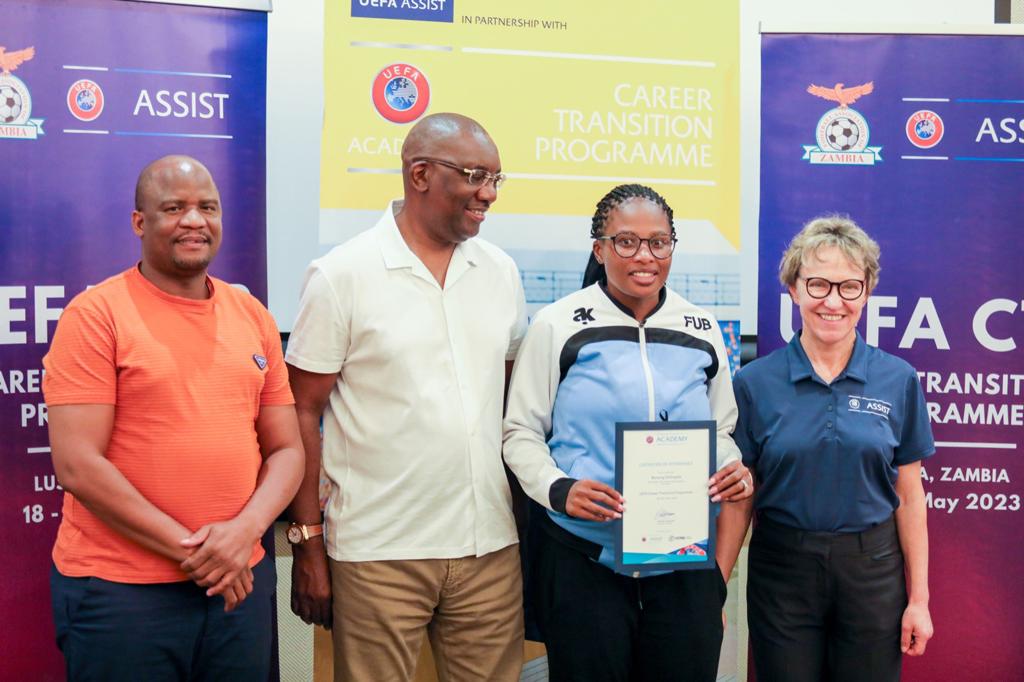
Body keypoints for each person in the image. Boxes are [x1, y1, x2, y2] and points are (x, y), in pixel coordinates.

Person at [285, 113, 527, 682]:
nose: (488, 194)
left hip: (488, 545)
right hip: (378, 550)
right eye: (473, 176)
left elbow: (515, 401)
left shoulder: (500, 271)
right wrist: (307, 544)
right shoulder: (341, 274)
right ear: (419, 174)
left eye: (496, 178)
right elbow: (300, 411)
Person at [43, 155, 304, 680]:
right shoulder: (96, 316)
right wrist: (203, 554)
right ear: (140, 222)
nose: (194, 220)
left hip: (239, 587)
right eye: (174, 208)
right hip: (123, 596)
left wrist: (243, 534)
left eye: (207, 207)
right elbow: (77, 466)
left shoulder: (252, 315)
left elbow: (288, 449)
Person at [502, 184, 753, 682]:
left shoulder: (702, 329)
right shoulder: (557, 325)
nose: (645, 256)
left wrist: (730, 468)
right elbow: (520, 432)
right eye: (626, 241)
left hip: (682, 560)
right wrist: (560, 489)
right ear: (600, 249)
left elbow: (720, 428)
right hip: (585, 559)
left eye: (659, 242)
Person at [732, 215, 934, 682]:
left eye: (849, 287)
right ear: (794, 290)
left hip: (873, 572)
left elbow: (910, 495)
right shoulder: (755, 382)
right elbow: (740, 496)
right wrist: (714, 588)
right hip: (782, 570)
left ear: (866, 293)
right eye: (818, 284)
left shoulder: (898, 379)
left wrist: (919, 600)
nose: (833, 301)